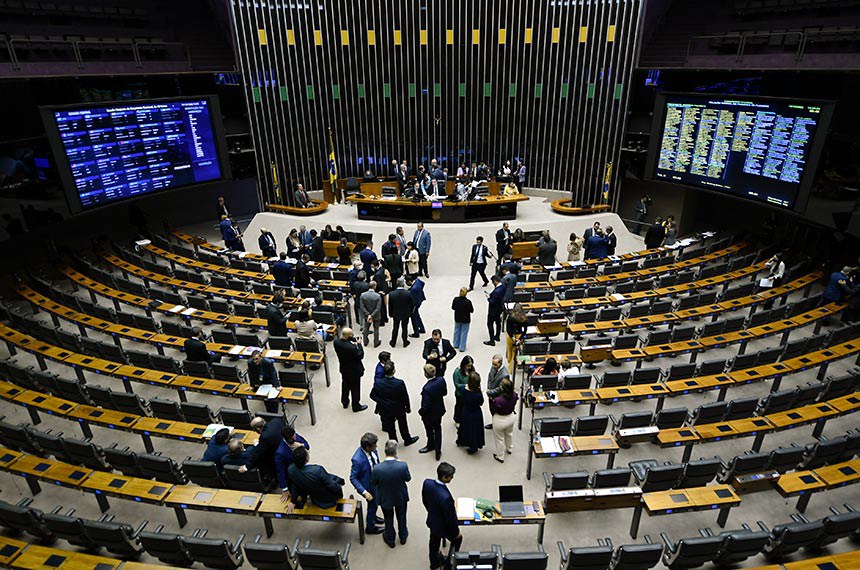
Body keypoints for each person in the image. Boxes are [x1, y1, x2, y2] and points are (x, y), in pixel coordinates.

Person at [372, 440, 412, 548]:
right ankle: (403, 536)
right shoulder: (402, 466)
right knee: (402, 516)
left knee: (388, 518)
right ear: (395, 452)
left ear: (385, 452)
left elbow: (374, 482)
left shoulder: (377, 468)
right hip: (400, 496)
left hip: (385, 497)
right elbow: (408, 478)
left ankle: (390, 539)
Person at [423, 463, 462, 570]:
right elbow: (450, 519)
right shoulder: (446, 498)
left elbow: (425, 501)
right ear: (444, 477)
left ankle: (434, 563)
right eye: (451, 476)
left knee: (434, 542)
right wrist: (456, 533)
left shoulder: (427, 483)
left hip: (432, 521)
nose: (452, 478)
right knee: (457, 540)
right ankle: (448, 565)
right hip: (443, 526)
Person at [370, 361, 419, 445]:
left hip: (385, 409)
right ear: (394, 371)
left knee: (390, 427)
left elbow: (372, 395)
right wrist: (408, 407)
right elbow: (405, 396)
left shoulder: (378, 382)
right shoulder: (399, 383)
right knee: (403, 424)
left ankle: (393, 442)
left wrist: (382, 402)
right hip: (398, 408)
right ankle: (407, 440)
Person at [349, 433, 384, 535]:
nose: (376, 447)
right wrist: (364, 492)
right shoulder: (357, 459)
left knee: (375, 504)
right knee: (372, 506)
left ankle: (374, 517)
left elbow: (376, 462)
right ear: (368, 447)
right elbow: (353, 478)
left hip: (375, 481)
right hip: (368, 486)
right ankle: (370, 527)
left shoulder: (373, 451)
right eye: (374, 445)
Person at [333, 328, 368, 412]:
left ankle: (345, 402)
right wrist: (359, 344)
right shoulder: (352, 348)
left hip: (344, 369)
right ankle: (356, 406)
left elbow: (345, 342)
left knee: (345, 386)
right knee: (355, 388)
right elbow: (360, 356)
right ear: (348, 336)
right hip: (354, 371)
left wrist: (351, 340)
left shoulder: (336, 342)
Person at [418, 364, 447, 460]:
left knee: (429, 430)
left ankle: (430, 445)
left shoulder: (426, 389)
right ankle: (438, 451)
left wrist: (421, 412)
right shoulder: (441, 380)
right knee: (438, 429)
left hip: (429, 414)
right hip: (439, 410)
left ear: (425, 374)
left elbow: (426, 406)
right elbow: (444, 393)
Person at [274, 424, 310, 499]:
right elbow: (281, 471)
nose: (294, 438)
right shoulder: (280, 453)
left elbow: (307, 445)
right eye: (292, 438)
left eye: (294, 435)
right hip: (292, 474)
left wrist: (301, 445)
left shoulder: (296, 436)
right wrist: (284, 489)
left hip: (302, 467)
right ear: (285, 438)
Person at [490, 378, 518, 463]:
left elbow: (493, 409)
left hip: (500, 419)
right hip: (511, 417)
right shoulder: (514, 395)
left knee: (499, 439)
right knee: (509, 434)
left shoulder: (498, 400)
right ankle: (509, 448)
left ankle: (500, 456)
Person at [456, 372, 485, 454]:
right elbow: (481, 403)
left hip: (466, 411)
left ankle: (461, 441)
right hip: (475, 412)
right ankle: (473, 446)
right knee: (474, 430)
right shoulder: (478, 394)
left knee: (464, 427)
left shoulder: (463, 389)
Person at [388, 278, 414, 348]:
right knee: (404, 328)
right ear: (403, 284)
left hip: (395, 314)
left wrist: (390, 314)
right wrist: (411, 312)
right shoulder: (408, 293)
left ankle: (393, 342)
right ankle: (405, 342)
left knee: (395, 328)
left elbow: (390, 305)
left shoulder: (392, 294)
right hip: (405, 313)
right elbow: (412, 304)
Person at [485, 355, 510, 428]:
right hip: (491, 394)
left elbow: (501, 388)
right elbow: (489, 378)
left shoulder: (505, 375)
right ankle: (494, 423)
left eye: (495, 364)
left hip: (498, 396)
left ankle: (497, 425)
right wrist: (488, 389)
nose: (493, 366)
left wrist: (490, 392)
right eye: (492, 364)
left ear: (500, 363)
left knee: (497, 412)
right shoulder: (493, 368)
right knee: (492, 410)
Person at [359, 281, 383, 348]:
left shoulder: (363, 295)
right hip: (376, 315)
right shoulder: (378, 296)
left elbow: (362, 306)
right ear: (375, 287)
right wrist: (372, 315)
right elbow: (378, 308)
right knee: (376, 329)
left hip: (366, 315)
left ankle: (365, 342)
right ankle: (376, 342)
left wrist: (368, 314)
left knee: (366, 328)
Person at [451, 356, 474, 426]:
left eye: (471, 365)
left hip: (469, 393)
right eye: (468, 366)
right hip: (460, 394)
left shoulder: (471, 370)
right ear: (464, 364)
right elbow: (457, 384)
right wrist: (466, 386)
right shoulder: (457, 372)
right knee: (459, 407)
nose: (470, 367)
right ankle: (457, 420)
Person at [505, 303, 528, 368]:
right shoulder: (524, 319)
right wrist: (520, 339)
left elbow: (508, 329)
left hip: (510, 336)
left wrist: (512, 337)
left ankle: (509, 363)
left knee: (510, 350)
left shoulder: (510, 317)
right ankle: (513, 366)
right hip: (519, 336)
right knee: (514, 353)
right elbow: (525, 331)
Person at [484, 275, 505, 346]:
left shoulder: (496, 291)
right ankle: (497, 336)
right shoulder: (502, 287)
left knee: (490, 324)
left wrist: (488, 297)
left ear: (495, 281)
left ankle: (492, 340)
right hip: (499, 308)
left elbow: (492, 301)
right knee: (498, 322)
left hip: (493, 310)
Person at [451, 288, 473, 352]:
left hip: (457, 318)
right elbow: (471, 310)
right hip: (465, 319)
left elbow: (453, 307)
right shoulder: (468, 302)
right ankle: (462, 347)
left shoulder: (455, 299)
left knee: (457, 330)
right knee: (464, 332)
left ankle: (455, 344)